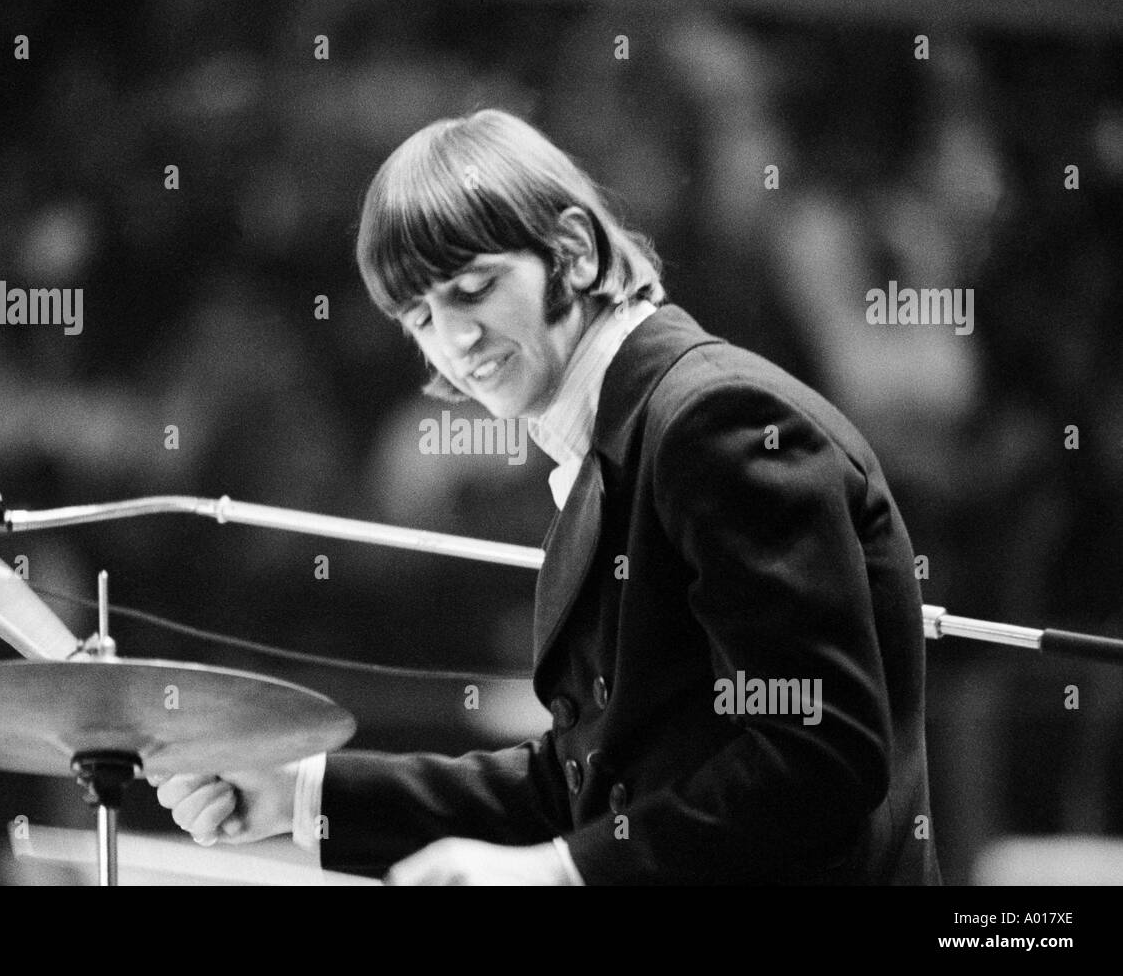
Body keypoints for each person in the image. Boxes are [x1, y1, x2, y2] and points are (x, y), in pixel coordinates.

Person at [155, 109, 942, 885]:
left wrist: (562, 873)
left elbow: (817, 755)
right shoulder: (623, 443)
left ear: (570, 250)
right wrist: (304, 796)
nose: (455, 343)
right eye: (421, 317)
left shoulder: (712, 422)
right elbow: (585, 787)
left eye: (475, 288)